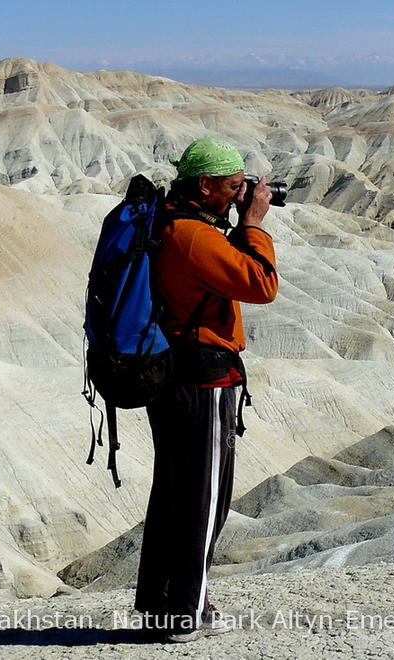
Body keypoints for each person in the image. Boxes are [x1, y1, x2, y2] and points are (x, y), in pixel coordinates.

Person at [133, 138, 278, 643]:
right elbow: (261, 285)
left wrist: (236, 223)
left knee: (174, 492)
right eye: (234, 187)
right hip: (202, 378)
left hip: (169, 373)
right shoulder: (193, 235)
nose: (241, 195)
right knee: (204, 497)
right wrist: (254, 224)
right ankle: (184, 613)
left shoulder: (165, 220)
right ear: (205, 185)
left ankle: (159, 604)